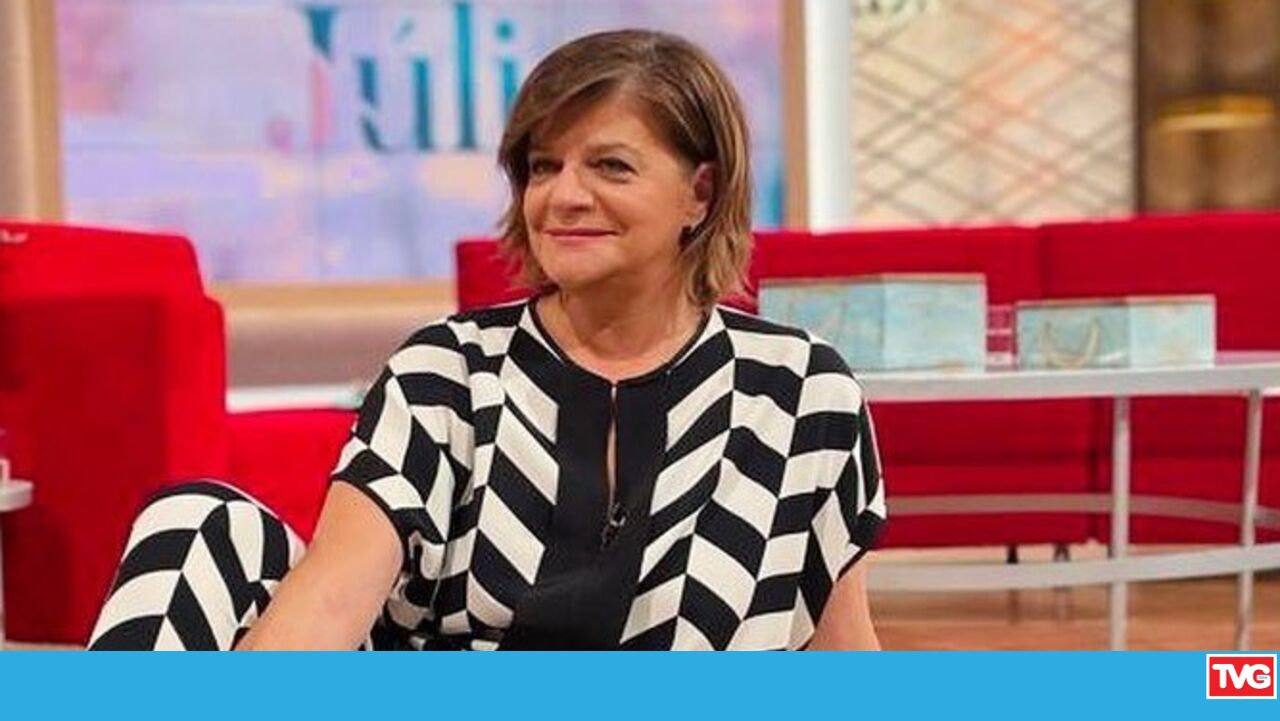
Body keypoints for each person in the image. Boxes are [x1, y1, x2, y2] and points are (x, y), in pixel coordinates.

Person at [88, 28, 887, 651]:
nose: (563, 197)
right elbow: (330, 599)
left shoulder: (801, 391)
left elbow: (839, 647)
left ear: (699, 193)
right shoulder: (447, 370)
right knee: (199, 521)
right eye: (543, 167)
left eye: (610, 166)